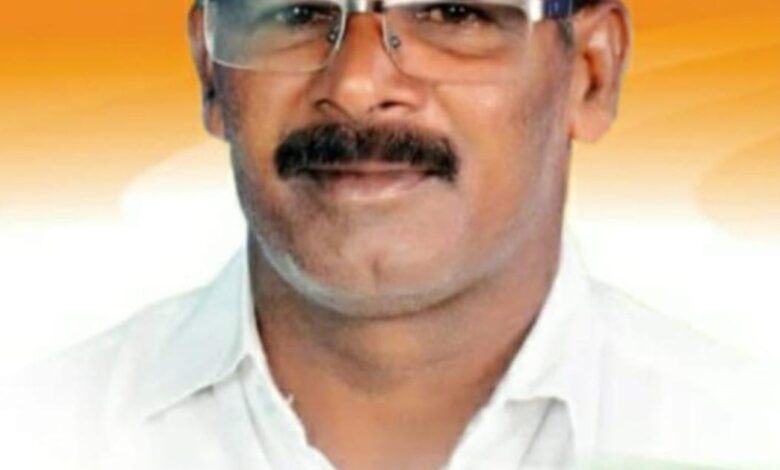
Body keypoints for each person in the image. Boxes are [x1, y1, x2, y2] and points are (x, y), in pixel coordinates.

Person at [1, 0, 778, 468]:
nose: (358, 84)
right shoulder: (33, 437)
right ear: (210, 70)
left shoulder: (749, 438)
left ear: (591, 74)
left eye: (452, 13)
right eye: (297, 12)